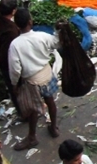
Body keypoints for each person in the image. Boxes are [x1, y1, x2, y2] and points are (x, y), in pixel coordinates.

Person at [8, 8, 59, 150]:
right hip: (47, 75)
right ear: (30, 22)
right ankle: (53, 127)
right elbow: (56, 43)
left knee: (33, 110)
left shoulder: (15, 45)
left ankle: (32, 137)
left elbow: (15, 69)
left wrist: (14, 85)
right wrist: (59, 31)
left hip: (31, 81)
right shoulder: (42, 36)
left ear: (16, 25)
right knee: (50, 102)